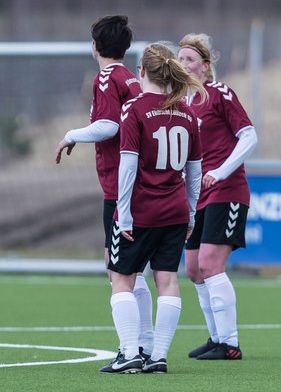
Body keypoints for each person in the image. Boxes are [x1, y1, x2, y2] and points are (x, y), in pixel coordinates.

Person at [101, 42, 205, 374]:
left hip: (142, 210)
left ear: (141, 72)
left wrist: (124, 212)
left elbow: (128, 167)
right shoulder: (187, 113)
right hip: (174, 211)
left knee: (121, 279)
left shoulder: (133, 109)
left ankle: (130, 352)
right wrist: (191, 211)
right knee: (168, 281)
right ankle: (158, 356)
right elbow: (195, 172)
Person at [54, 15, 154, 354]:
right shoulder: (130, 77)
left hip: (120, 187)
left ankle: (134, 348)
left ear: (95, 46)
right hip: (140, 183)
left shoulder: (107, 78)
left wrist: (71, 135)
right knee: (133, 271)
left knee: (118, 271)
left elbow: (109, 126)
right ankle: (144, 343)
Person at [177, 33, 256, 361]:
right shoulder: (181, 104)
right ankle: (216, 337)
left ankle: (231, 343)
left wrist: (221, 171)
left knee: (210, 264)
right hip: (199, 197)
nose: (183, 65)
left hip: (227, 191)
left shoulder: (219, 94)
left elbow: (249, 136)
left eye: (190, 60)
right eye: (179, 60)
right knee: (194, 269)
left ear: (206, 67)